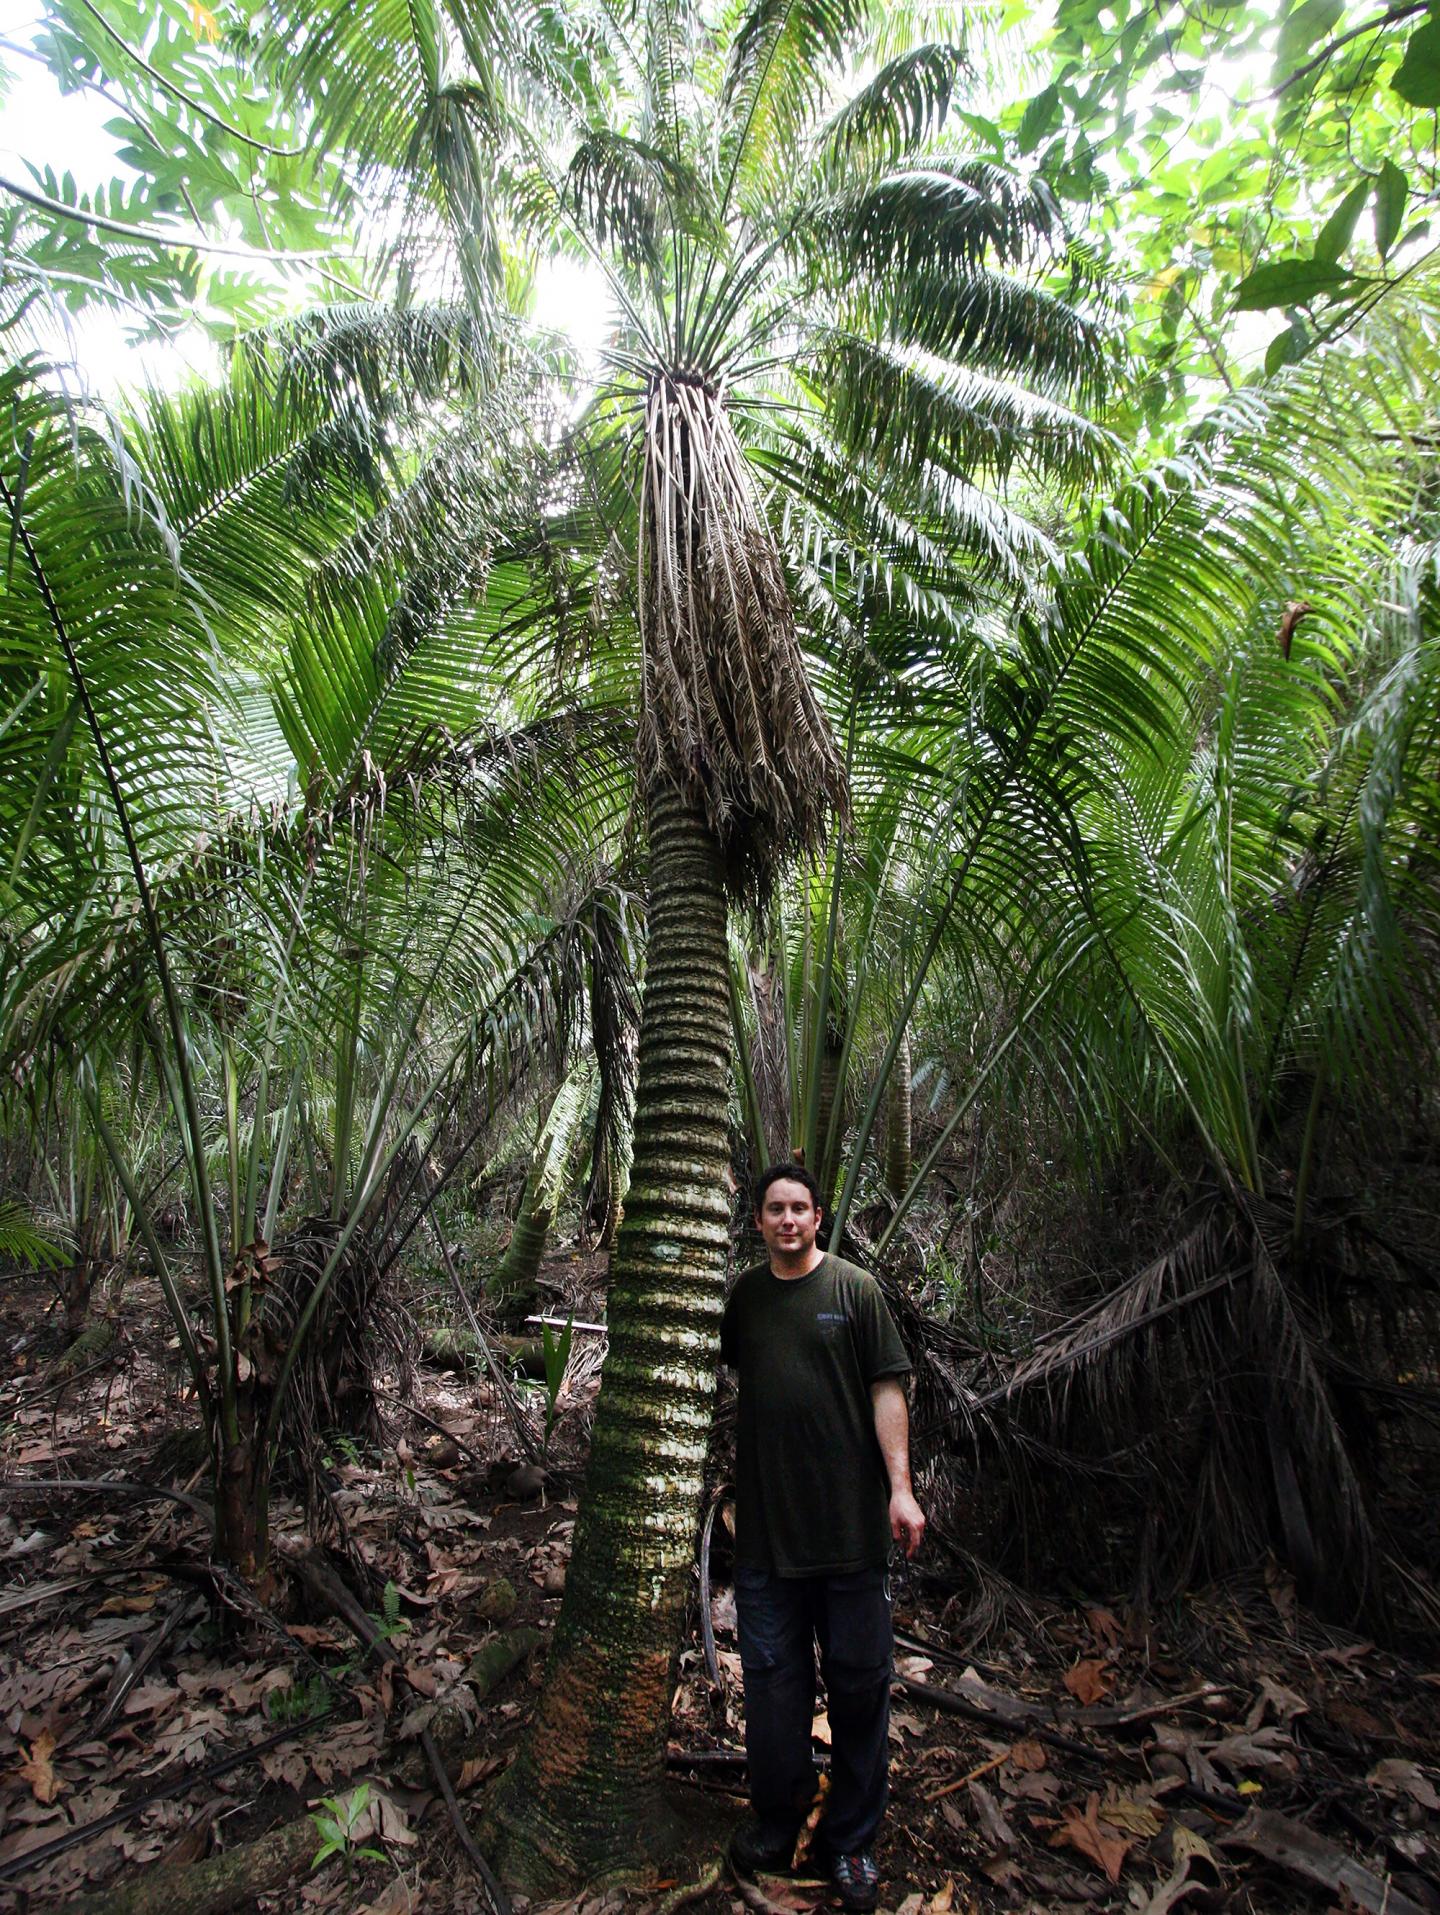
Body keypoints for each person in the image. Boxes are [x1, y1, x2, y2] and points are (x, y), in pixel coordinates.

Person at [719, 1163, 925, 1913]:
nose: (787, 1219)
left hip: (850, 1535)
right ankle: (778, 1823)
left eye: (799, 1207)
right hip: (769, 1542)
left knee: (860, 1688)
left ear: (817, 1214)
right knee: (773, 1693)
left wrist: (900, 1490)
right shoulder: (744, 1299)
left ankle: (850, 1841)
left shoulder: (854, 1291)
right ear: (758, 1219)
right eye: (774, 1208)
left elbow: (886, 1387)